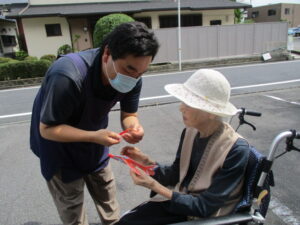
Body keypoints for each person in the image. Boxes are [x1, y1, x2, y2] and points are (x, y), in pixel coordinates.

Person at [30, 21, 159, 225]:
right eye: (129, 69)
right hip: (59, 151)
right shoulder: (67, 74)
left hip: (96, 144)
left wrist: (133, 127)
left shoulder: (134, 77)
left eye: (141, 73)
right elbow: (47, 129)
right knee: (73, 211)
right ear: (107, 53)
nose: (133, 78)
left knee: (108, 199)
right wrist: (93, 135)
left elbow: (129, 114)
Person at [116, 69, 251, 225]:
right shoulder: (190, 132)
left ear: (211, 112)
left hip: (206, 218)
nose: (181, 107)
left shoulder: (236, 150)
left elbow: (205, 207)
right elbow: (176, 174)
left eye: (189, 103)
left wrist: (153, 185)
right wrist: (146, 162)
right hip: (181, 203)